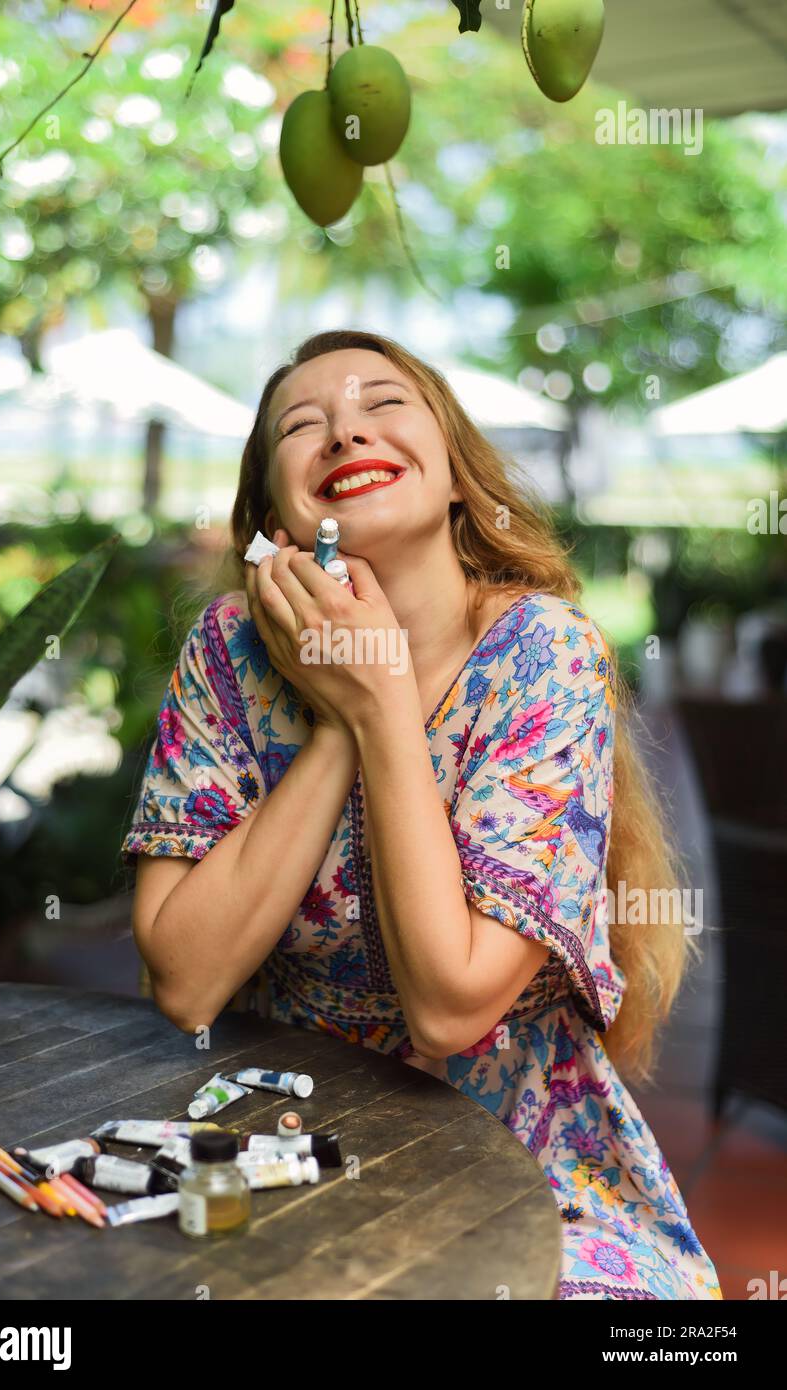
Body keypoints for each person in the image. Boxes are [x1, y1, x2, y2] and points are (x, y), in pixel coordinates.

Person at [122, 328, 722, 1301]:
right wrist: (337, 720)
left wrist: (382, 700)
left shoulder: (542, 655)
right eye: (303, 424)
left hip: (529, 1168)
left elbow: (450, 1008)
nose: (345, 433)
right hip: (286, 1149)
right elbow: (185, 981)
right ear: (274, 512)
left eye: (383, 405)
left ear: (456, 473)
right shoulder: (230, 653)